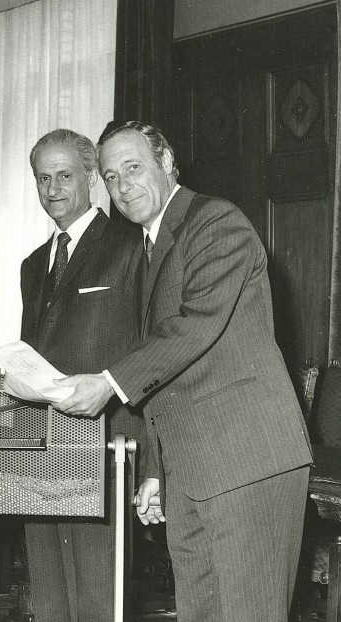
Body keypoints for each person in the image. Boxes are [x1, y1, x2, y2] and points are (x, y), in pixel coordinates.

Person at [54, 120, 313, 622]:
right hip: (192, 468)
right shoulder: (149, 246)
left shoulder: (216, 221)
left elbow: (195, 327)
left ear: (168, 162)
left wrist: (108, 383)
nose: (123, 185)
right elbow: (168, 375)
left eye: (133, 167)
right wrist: (157, 469)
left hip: (246, 461)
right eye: (111, 177)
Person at [19, 129, 142, 622]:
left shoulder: (130, 245)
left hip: (105, 440)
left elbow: (147, 347)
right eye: (42, 178)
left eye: (65, 175)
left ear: (91, 177)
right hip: (39, 443)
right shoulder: (33, 265)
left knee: (98, 595)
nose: (53, 189)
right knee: (49, 594)